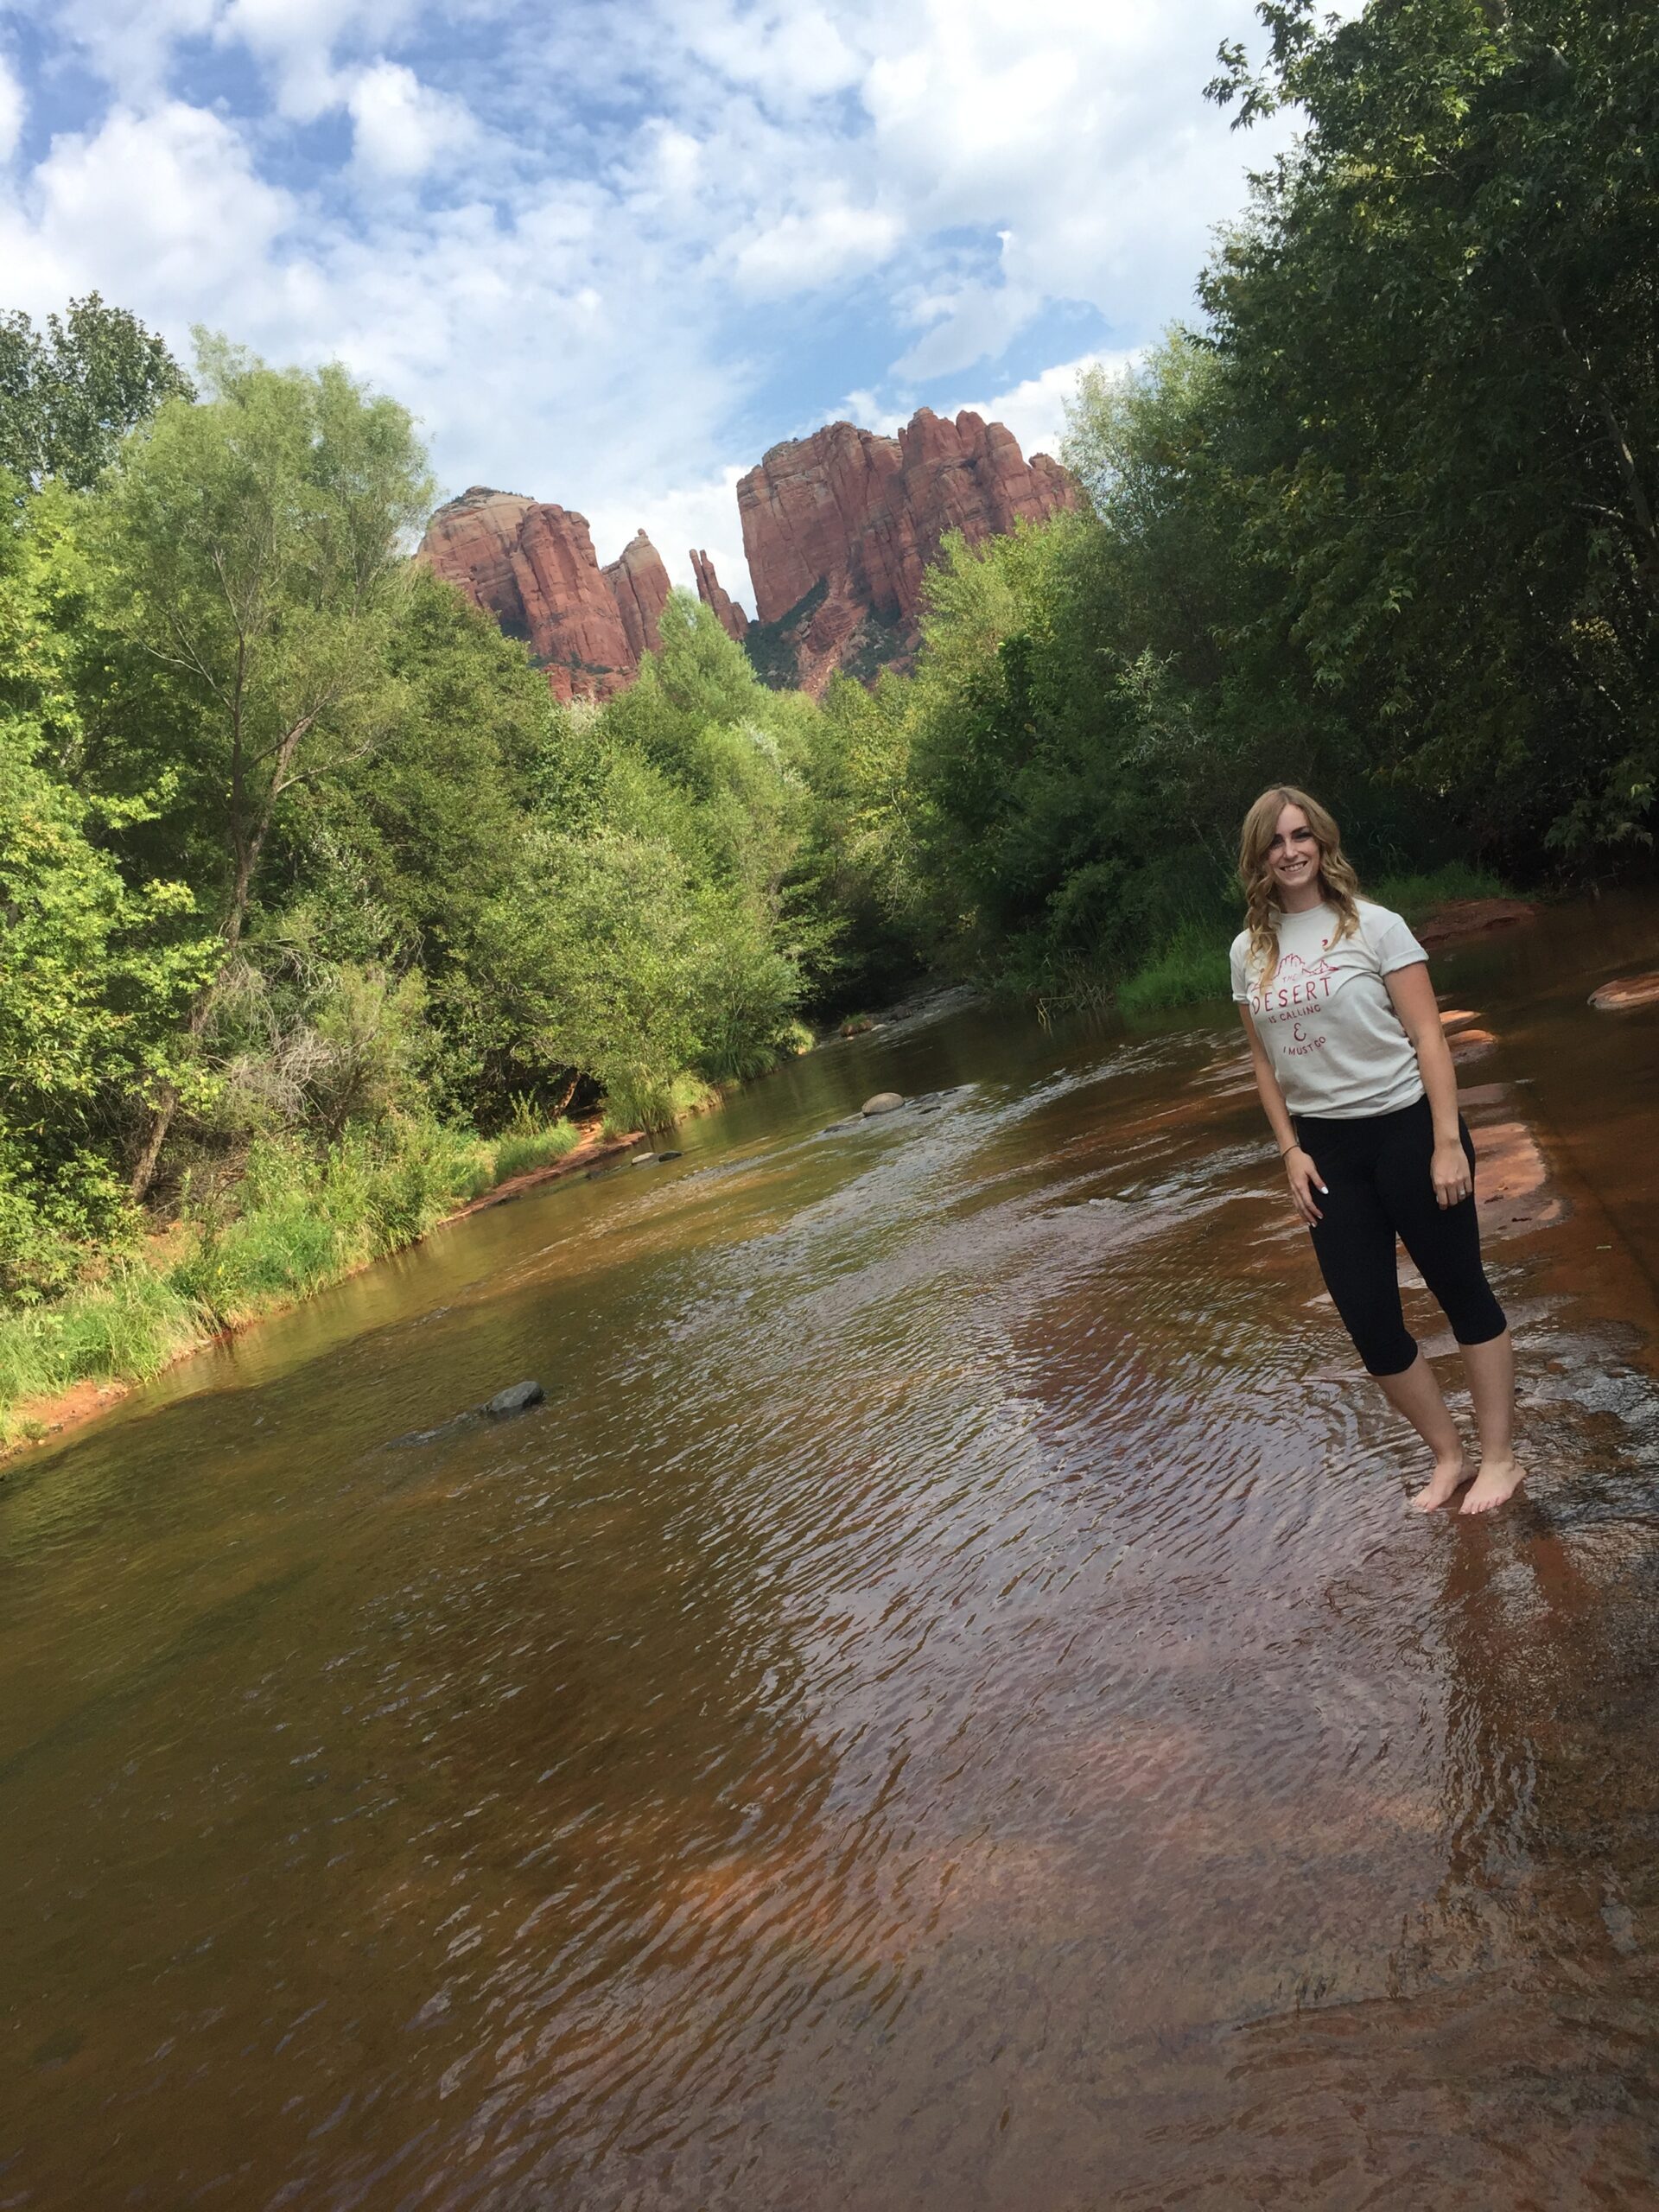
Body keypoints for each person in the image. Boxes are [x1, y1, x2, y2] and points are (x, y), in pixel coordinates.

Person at [1231, 786, 1522, 1514]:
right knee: (1369, 1320)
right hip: (1326, 1153)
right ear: (1259, 856)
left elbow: (1429, 1037)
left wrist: (1447, 1142)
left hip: (1406, 1130)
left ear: (1323, 842)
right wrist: (1290, 1151)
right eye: (1276, 841)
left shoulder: (1375, 926)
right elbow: (1264, 1063)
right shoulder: (1248, 950)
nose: (1291, 851)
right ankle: (1448, 1456)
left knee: (1461, 1292)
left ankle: (1500, 1459)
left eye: (1301, 836)